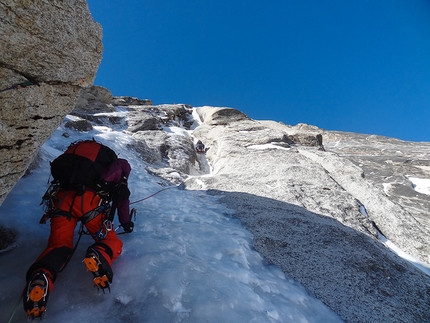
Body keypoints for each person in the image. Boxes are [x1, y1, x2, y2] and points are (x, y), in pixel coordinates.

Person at [23, 143, 134, 319]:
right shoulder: (118, 169)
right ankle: (99, 254)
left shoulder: (80, 163)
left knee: (59, 245)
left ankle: (41, 275)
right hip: (90, 204)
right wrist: (126, 223)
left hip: (61, 200)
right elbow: (122, 200)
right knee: (111, 242)